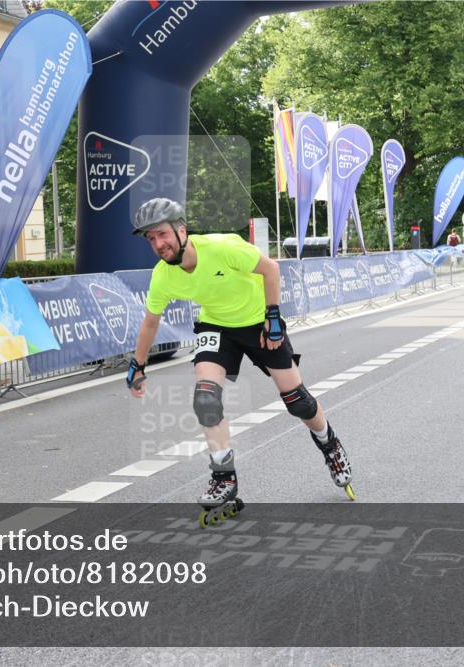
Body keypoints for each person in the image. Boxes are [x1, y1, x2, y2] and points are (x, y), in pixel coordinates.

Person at [125, 198, 355, 519]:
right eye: (151, 238)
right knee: (206, 399)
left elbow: (270, 269)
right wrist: (138, 365)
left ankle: (329, 445)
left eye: (162, 234)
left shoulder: (221, 248)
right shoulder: (164, 275)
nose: (158, 244)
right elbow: (151, 322)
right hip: (217, 327)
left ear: (181, 230)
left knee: (297, 401)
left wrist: (272, 317)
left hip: (257, 321)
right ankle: (224, 477)